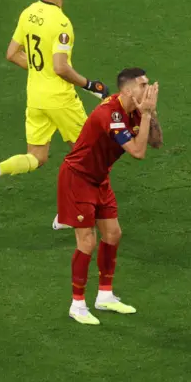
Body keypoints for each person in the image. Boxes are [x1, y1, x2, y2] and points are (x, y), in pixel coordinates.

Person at [0, 0, 109, 206]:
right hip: (60, 100)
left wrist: (40, 69)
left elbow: (12, 54)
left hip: (35, 98)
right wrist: (90, 84)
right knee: (92, 155)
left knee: (37, 156)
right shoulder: (61, 23)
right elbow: (60, 68)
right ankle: (73, 209)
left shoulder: (29, 13)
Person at [57, 68, 163, 325]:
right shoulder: (110, 114)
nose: (147, 88)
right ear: (127, 90)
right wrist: (146, 114)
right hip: (77, 178)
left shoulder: (136, 111)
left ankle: (104, 295)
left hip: (99, 178)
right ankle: (77, 304)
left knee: (113, 234)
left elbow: (156, 142)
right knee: (87, 242)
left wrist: (152, 114)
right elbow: (138, 152)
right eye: (143, 84)